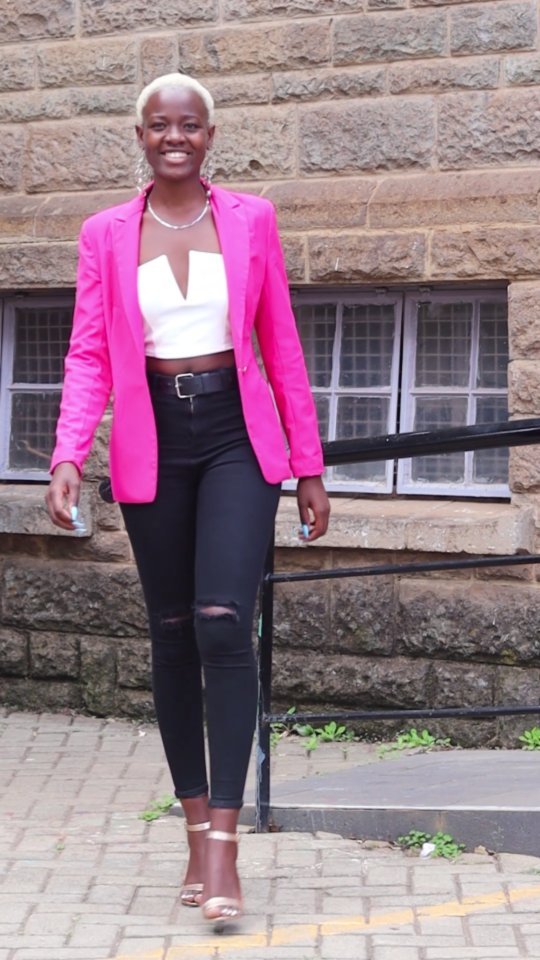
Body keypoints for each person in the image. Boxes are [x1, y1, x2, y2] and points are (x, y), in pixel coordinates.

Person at [46, 72, 330, 932]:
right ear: (140, 136)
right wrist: (68, 453)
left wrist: (309, 466)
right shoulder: (104, 234)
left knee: (221, 622)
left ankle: (227, 850)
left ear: (211, 136)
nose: (176, 137)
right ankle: (196, 829)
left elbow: (281, 344)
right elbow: (88, 353)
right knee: (172, 631)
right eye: (160, 125)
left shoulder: (252, 219)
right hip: (152, 440)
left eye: (191, 125)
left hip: (237, 434)